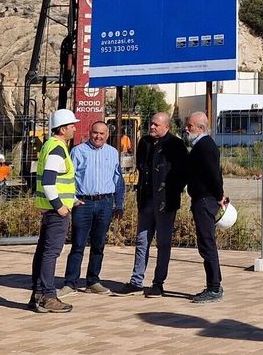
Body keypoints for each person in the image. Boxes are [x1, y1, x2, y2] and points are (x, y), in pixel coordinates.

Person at [119, 111, 188, 298]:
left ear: (166, 126)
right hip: (146, 201)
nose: (152, 127)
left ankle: (158, 283)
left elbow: (183, 173)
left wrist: (170, 191)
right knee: (142, 241)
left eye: (156, 124)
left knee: (163, 244)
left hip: (166, 202)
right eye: (151, 123)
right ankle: (136, 281)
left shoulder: (176, 145)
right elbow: (142, 168)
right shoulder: (144, 142)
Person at [63, 120, 125, 295]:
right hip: (83, 203)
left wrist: (119, 203)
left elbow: (118, 179)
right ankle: (70, 283)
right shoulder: (78, 151)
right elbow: (69, 177)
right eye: (95, 133)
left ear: (107, 135)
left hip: (105, 203)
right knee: (78, 244)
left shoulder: (113, 153)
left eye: (102, 133)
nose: (98, 136)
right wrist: (73, 199)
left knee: (99, 245)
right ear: (90, 133)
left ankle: (93, 281)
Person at [27, 109, 79, 314]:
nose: (75, 129)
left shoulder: (49, 145)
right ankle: (48, 296)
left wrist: (72, 200)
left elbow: (56, 181)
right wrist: (60, 206)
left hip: (50, 209)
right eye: (72, 125)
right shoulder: (57, 148)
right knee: (51, 253)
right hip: (56, 211)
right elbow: (49, 182)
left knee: (43, 251)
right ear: (63, 129)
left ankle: (38, 294)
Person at [184, 111, 226, 304]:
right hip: (203, 199)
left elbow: (214, 175)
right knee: (206, 243)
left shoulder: (205, 146)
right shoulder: (201, 146)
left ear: (200, 128)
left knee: (207, 243)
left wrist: (219, 196)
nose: (187, 129)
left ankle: (214, 287)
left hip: (205, 200)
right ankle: (214, 284)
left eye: (190, 126)